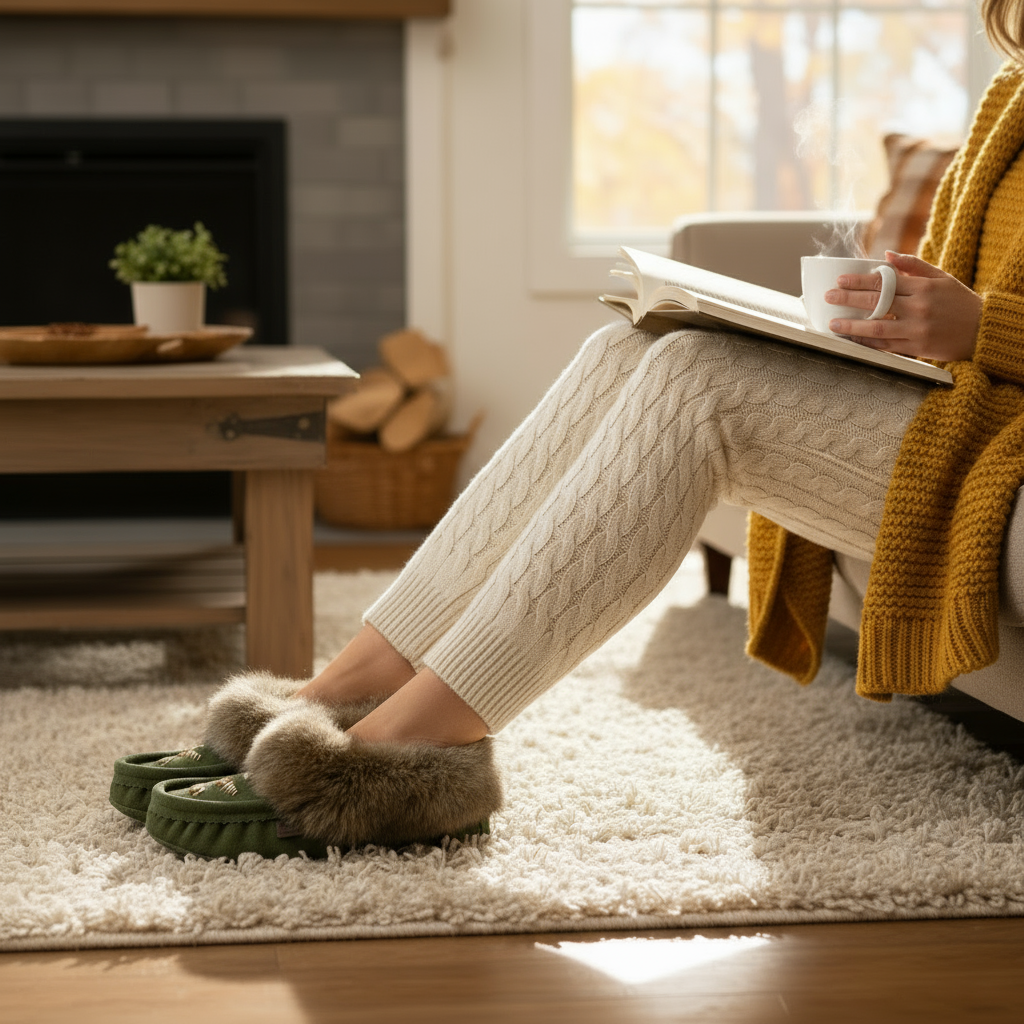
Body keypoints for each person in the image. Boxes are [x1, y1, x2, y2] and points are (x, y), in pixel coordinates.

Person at [114, 0, 1024, 859]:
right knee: (625, 349)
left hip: (997, 436)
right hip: (958, 401)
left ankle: (416, 750)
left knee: (695, 381)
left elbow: (980, 324)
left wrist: (981, 327)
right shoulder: (1009, 87)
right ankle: (351, 687)